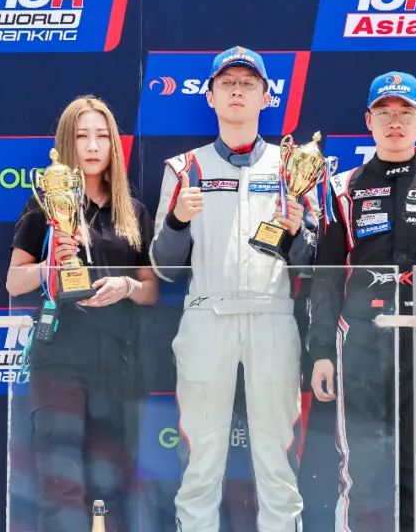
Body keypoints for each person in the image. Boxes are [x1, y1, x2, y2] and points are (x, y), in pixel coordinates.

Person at [307, 71, 416, 532]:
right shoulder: (342, 188)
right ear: (368, 120)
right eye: (384, 112)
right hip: (360, 342)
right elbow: (325, 279)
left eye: (405, 112)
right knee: (359, 465)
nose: (394, 122)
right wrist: (322, 351)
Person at [150, 46, 317, 532]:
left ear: (267, 96)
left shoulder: (295, 165)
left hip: (273, 315)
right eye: (227, 83)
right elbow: (164, 269)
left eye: (248, 83)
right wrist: (178, 221)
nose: (237, 91)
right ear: (210, 96)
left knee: (277, 461)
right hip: (207, 315)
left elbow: (313, 264)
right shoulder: (184, 168)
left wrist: (296, 232)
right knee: (201, 461)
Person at [6, 96, 158, 532]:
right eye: (82, 136)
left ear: (114, 145)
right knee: (62, 482)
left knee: (114, 482)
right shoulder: (44, 204)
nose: (92, 146)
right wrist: (50, 267)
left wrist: (127, 287)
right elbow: (14, 281)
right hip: (59, 360)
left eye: (102, 136)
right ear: (66, 144)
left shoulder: (133, 210)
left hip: (118, 360)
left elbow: (150, 290)